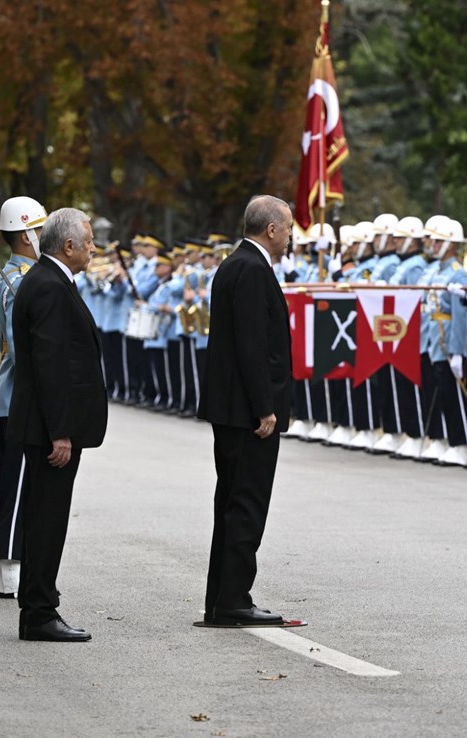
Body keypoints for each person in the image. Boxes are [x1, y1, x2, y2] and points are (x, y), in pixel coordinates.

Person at [8, 208, 106, 642]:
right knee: (46, 519)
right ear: (67, 246)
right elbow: (50, 365)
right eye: (88, 241)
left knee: (45, 517)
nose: (93, 248)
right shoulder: (48, 286)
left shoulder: (50, 280)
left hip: (50, 425)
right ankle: (39, 612)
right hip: (52, 431)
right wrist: (60, 430)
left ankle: (38, 602)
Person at [198, 195, 294, 626]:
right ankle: (234, 598)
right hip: (247, 413)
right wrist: (265, 407)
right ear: (270, 229)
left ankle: (221, 598)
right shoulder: (253, 270)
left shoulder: (235, 264)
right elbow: (253, 347)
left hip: (231, 409)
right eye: (288, 227)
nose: (291, 236)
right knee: (247, 504)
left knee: (231, 502)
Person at [0, 196, 48, 598]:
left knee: (19, 482)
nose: (44, 237)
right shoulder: (22, 280)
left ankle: (10, 565)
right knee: (17, 483)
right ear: (26, 235)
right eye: (39, 230)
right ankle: (9, 566)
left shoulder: (16, 274)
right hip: (19, 395)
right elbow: (25, 350)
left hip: (13, 394)